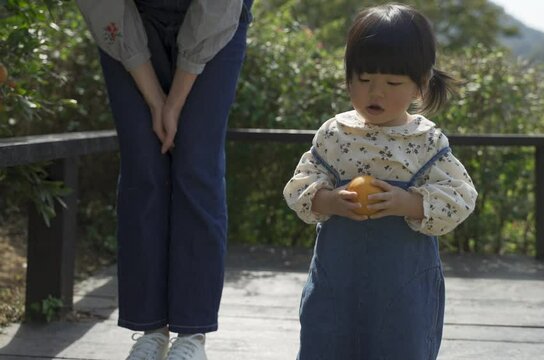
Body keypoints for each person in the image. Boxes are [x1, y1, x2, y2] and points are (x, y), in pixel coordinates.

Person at [283, 3, 478, 359]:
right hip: (336, 282)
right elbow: (301, 185)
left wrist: (412, 203)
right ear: (348, 79)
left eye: (391, 82)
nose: (376, 93)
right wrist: (326, 200)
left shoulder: (426, 141)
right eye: (364, 80)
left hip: (402, 290)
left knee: (398, 347)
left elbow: (461, 197)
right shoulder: (335, 135)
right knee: (326, 343)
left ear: (420, 86)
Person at [76, 0, 252, 358]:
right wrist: (156, 101)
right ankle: (149, 329)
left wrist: (173, 103)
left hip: (216, 18)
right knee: (144, 169)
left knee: (197, 169)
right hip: (126, 14)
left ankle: (191, 335)